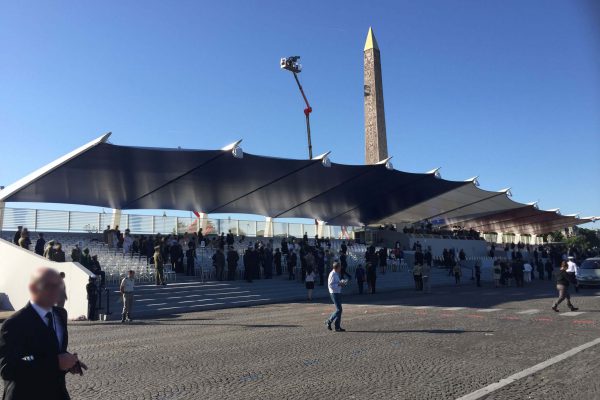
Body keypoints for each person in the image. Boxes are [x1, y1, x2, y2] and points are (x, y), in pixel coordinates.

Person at [0, 268, 87, 400]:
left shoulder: (60, 314)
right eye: (49, 286)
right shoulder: (14, 323)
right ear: (33, 288)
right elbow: (8, 369)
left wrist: (69, 362)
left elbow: (52, 349)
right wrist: (55, 362)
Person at [325, 262, 346, 332]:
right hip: (334, 293)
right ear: (337, 267)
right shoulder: (332, 274)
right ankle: (329, 321)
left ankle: (337, 327)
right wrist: (339, 284)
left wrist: (341, 283)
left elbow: (335, 283)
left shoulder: (335, 273)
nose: (340, 268)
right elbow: (330, 285)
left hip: (337, 292)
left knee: (339, 310)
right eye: (340, 267)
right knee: (339, 310)